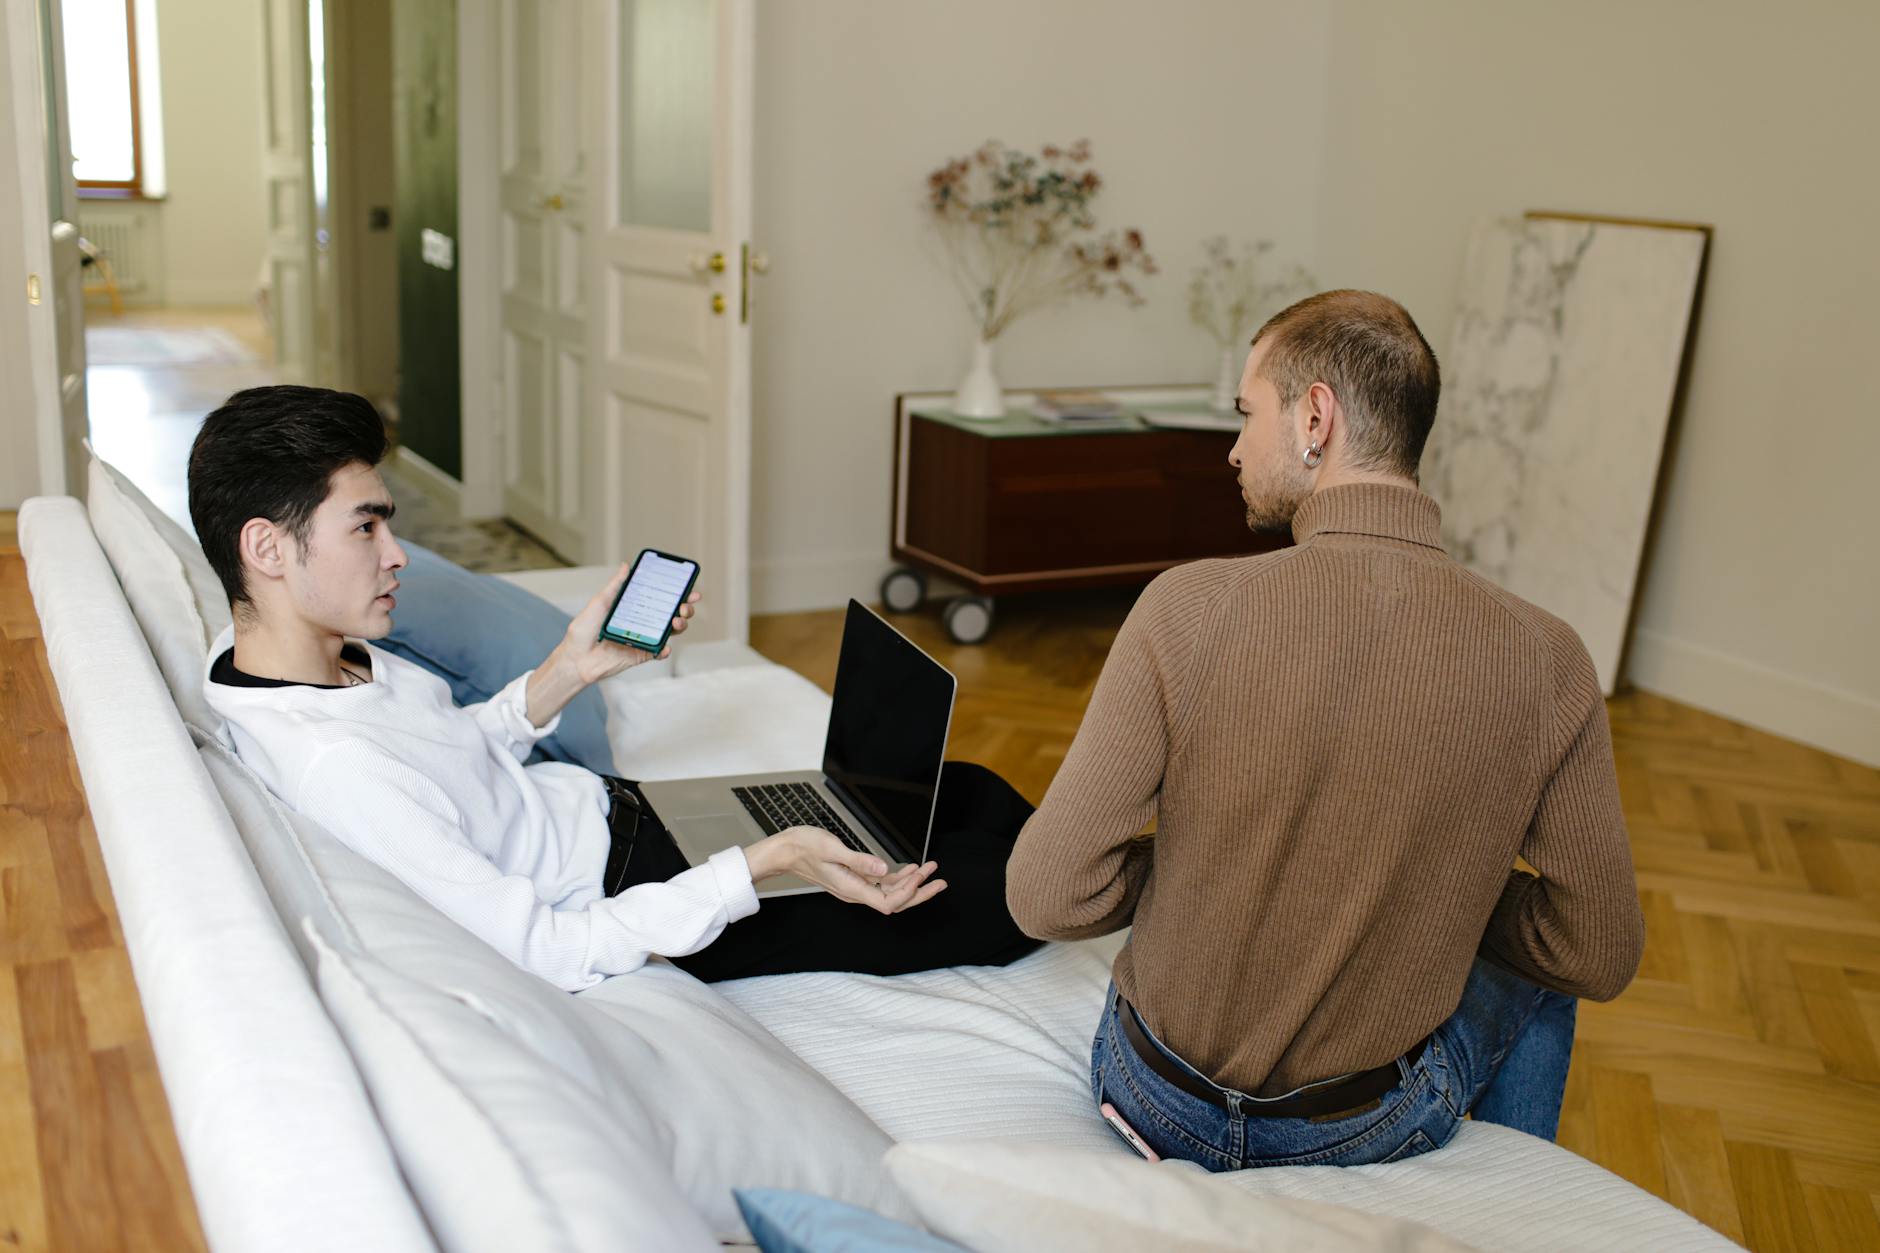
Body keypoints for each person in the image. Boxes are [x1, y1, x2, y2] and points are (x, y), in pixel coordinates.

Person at [1006, 290, 1644, 1170]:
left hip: (1153, 1097)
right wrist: (1428, 892)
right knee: (1540, 977)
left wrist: (1219, 867)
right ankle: (1505, 1198)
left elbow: (1045, 893)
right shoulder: (1549, 656)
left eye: (1246, 414)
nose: (1233, 449)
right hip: (1356, 1128)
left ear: (1316, 416)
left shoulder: (1186, 607)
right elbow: (1597, 950)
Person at [190, 385, 1040, 990]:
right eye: (365, 526)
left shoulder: (279, 653)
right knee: (1007, 891)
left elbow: (456, 756)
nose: (396, 554)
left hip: (622, 812)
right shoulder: (333, 765)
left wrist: (575, 664)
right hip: (647, 896)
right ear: (266, 549)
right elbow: (552, 949)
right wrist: (760, 863)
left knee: (964, 790)